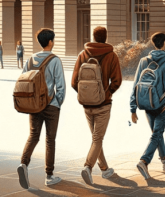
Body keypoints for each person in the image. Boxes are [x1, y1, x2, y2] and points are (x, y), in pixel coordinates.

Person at [71, 26, 122, 185]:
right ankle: (87, 167)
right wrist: (107, 92)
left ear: (93, 37)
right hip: (103, 104)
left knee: (95, 138)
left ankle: (105, 169)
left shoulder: (83, 54)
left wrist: (86, 94)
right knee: (97, 138)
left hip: (86, 105)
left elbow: (74, 82)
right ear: (105, 38)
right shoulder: (111, 55)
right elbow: (117, 81)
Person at [17, 29, 67, 188]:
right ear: (50, 42)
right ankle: (49, 175)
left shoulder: (30, 60)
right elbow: (61, 86)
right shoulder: (55, 60)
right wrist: (57, 103)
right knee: (50, 140)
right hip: (51, 105)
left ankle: (23, 164)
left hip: (34, 105)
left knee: (33, 136)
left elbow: (23, 80)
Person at [130, 32, 165, 180]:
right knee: (157, 134)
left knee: (156, 133)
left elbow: (135, 86)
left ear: (153, 43)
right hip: (163, 105)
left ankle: (164, 159)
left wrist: (133, 108)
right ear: (164, 43)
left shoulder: (143, 61)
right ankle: (144, 161)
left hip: (147, 103)